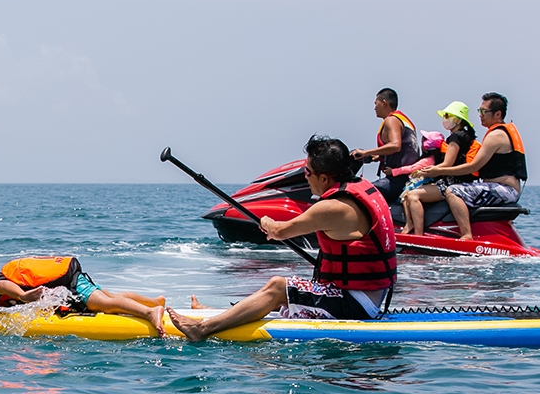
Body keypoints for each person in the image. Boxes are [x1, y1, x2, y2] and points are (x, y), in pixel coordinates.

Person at [168, 135, 397, 342]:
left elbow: (279, 231)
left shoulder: (333, 207)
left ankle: (202, 329)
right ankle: (225, 316)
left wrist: (265, 221)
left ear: (325, 178)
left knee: (278, 286)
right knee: (289, 292)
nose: (305, 177)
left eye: (307, 172)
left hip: (355, 305)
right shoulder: (363, 188)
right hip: (370, 295)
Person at [0, 247, 166, 333]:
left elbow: (5, 287)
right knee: (111, 297)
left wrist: (24, 296)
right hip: (68, 276)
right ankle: (154, 302)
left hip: (67, 280)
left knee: (106, 304)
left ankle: (150, 312)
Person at [412, 92, 526, 240]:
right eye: (480, 111)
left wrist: (437, 170)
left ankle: (466, 235)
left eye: (484, 111)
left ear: (498, 114)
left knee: (453, 191)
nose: (480, 114)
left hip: (505, 190)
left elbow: (472, 167)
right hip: (502, 188)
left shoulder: (496, 136)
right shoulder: (497, 133)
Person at [400, 101, 480, 235]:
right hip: (460, 180)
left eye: (447, 115)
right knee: (408, 195)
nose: (445, 118)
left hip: (452, 182)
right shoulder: (466, 136)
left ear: (458, 119)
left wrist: (425, 172)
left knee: (413, 196)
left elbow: (448, 163)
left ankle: (418, 235)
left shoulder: (456, 137)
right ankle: (411, 226)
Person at [350, 88, 421, 203]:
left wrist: (366, 152)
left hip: (398, 180)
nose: (374, 108)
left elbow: (395, 145)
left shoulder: (391, 120)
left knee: (358, 194)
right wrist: (376, 157)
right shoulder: (403, 120)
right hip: (407, 178)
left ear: (384, 103)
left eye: (375, 103)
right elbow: (402, 150)